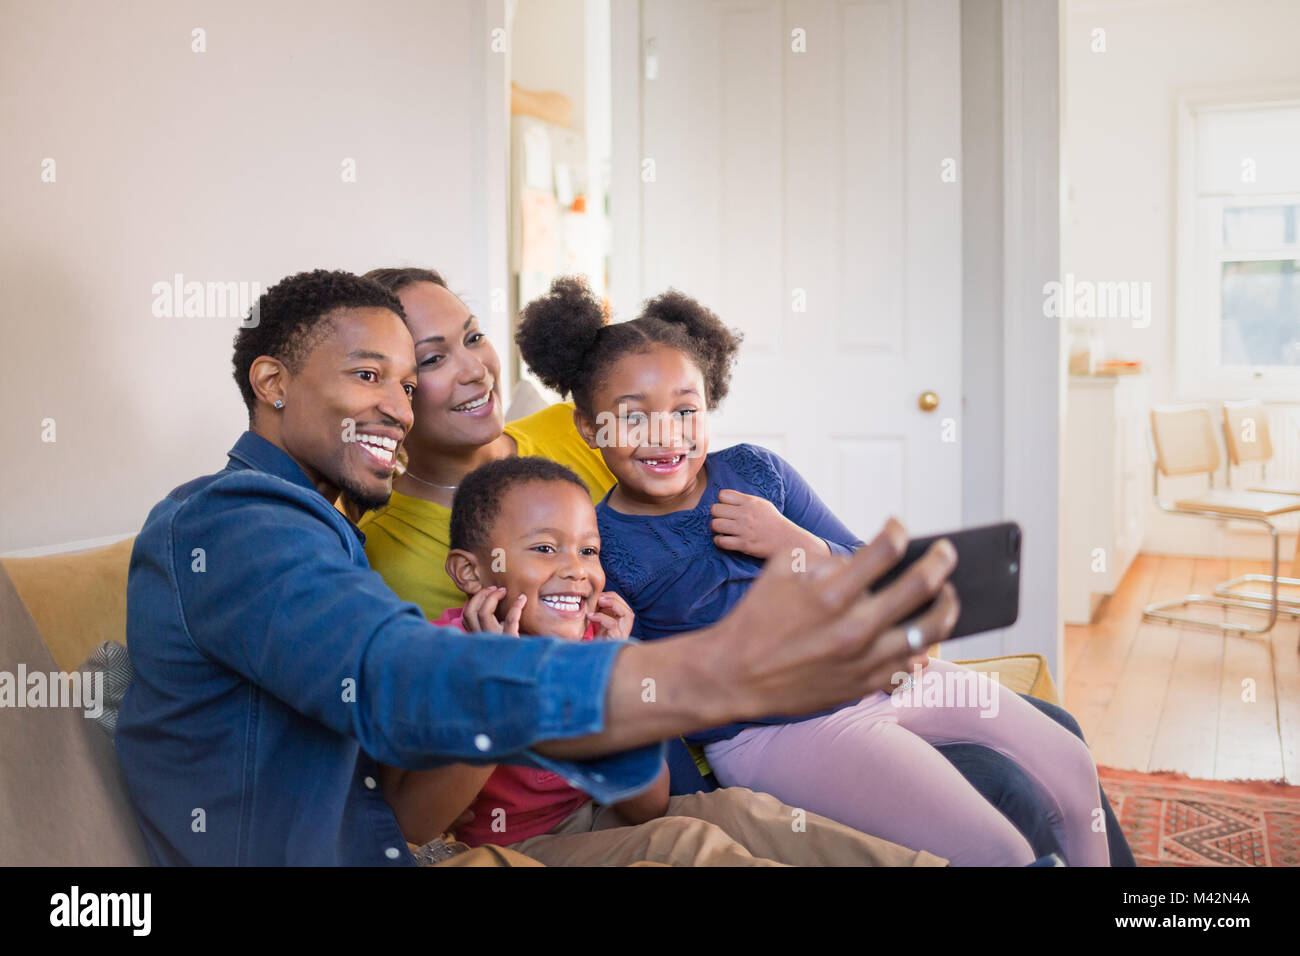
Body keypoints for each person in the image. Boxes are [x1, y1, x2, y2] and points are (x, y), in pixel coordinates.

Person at [113, 269, 959, 866]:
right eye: (369, 375)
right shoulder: (234, 522)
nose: (400, 408)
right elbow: (390, 675)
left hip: (426, 838)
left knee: (735, 824)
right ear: (273, 383)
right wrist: (718, 671)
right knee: (696, 845)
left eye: (409, 383)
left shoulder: (323, 532)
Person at [357, 265, 1135, 865]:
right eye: (432, 357)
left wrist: (798, 548)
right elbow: (614, 673)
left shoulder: (736, 468)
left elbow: (868, 569)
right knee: (997, 812)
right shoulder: (575, 541)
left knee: (1061, 747)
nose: (471, 367)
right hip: (761, 731)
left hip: (863, 678)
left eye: (470, 334)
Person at [378, 456, 945, 866]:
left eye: (590, 550)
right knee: (683, 845)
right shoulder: (440, 656)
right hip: (514, 844)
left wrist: (614, 675)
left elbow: (645, 804)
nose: (577, 570)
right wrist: (494, 692)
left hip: (599, 816)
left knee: (740, 812)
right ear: (472, 574)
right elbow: (419, 825)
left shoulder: (590, 644)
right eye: (545, 548)